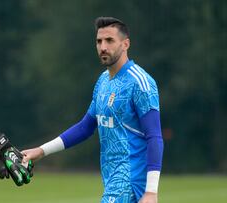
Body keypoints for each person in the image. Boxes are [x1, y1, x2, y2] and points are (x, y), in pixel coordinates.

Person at [21, 17, 164, 203]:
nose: (103, 46)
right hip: (112, 179)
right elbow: (85, 127)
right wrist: (40, 151)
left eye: (110, 40)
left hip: (130, 180)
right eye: (99, 41)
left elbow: (154, 136)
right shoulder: (103, 81)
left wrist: (152, 191)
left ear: (125, 44)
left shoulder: (140, 82)